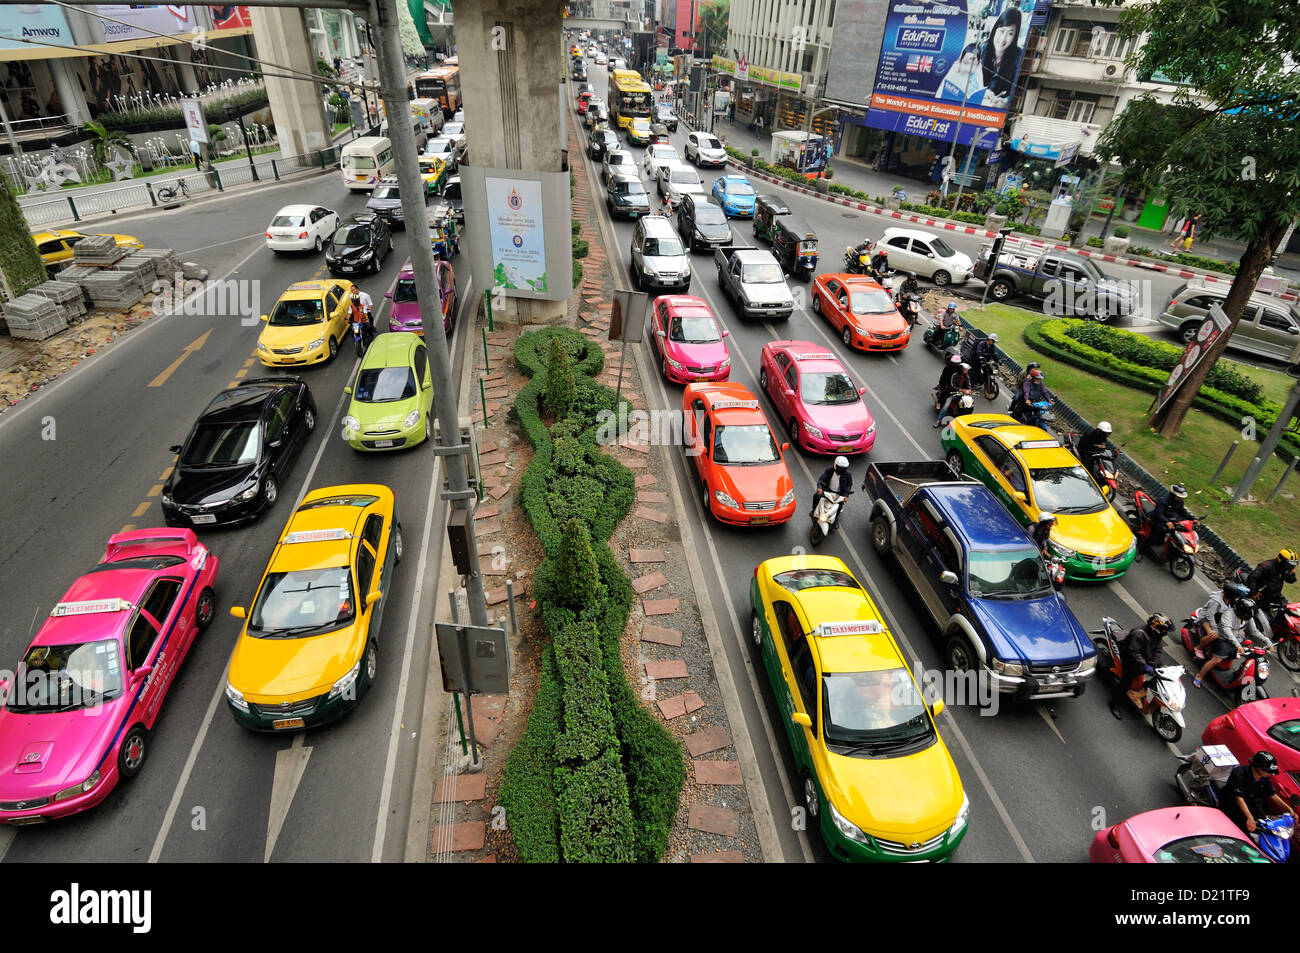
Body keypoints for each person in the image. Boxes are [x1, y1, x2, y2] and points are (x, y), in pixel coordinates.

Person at [1193, 582, 1267, 688]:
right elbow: (1210, 616)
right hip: (1207, 619)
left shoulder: (1233, 602)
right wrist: (1215, 629)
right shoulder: (1216, 601)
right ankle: (1199, 665)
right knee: (1215, 646)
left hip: (1220, 621)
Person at [1109, 613, 1173, 718]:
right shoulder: (1139, 633)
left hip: (1145, 655)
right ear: (1155, 627)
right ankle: (1114, 703)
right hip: (1130, 658)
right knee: (1126, 682)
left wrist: (1153, 665)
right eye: (1164, 629)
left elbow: (1158, 651)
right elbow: (1134, 652)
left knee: (1162, 671)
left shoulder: (1157, 636)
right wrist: (1145, 665)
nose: (1165, 632)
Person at [1219, 751, 1296, 836]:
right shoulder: (1239, 773)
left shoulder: (1264, 778)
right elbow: (1239, 798)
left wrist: (1289, 809)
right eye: (1268, 771)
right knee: (1240, 829)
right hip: (1232, 802)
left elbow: (1272, 795)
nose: (1270, 774)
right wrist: (1250, 818)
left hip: (1251, 803)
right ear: (1258, 767)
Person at [979, 7, 1023, 105]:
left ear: (1015, 37)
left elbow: (1016, 91)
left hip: (996, 112)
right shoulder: (980, 49)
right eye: (1002, 31)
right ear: (995, 29)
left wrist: (1005, 101)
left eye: (1010, 34)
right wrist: (982, 93)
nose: (1003, 39)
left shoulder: (1018, 57)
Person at [1246, 549, 1299, 618]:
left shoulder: (1283, 569)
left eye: (1293, 565)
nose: (1291, 567)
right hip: (1260, 596)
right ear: (1281, 560)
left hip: (1274, 596)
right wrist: (1253, 593)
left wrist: (1291, 574)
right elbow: (1252, 578)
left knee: (1288, 610)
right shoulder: (1266, 566)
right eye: (1290, 565)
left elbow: (1290, 580)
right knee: (1254, 613)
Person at [1150, 483, 1193, 552]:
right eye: (1179, 497)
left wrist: (1192, 518)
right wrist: (1167, 521)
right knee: (1158, 532)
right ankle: (1142, 550)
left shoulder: (1179, 502)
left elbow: (1182, 511)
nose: (1181, 499)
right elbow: (1159, 513)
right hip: (1158, 519)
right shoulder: (1163, 501)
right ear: (1173, 495)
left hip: (1170, 520)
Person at [811, 456, 853, 526]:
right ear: (835, 465)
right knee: (816, 496)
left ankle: (835, 519)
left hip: (839, 494)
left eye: (843, 468)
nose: (841, 470)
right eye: (840, 467)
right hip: (827, 490)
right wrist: (820, 488)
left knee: (839, 506)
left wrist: (846, 495)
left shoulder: (848, 474)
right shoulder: (829, 470)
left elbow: (849, 485)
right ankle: (814, 510)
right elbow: (821, 479)